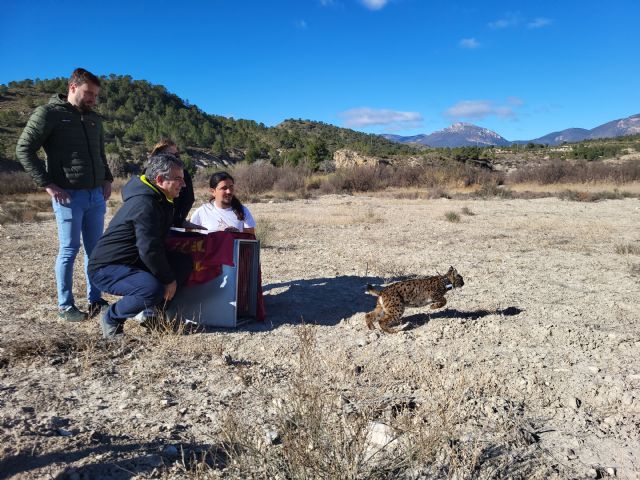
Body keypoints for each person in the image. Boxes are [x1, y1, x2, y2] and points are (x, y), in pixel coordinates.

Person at [16, 68, 113, 322]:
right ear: (72, 87)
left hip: (95, 195)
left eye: (95, 95)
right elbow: (24, 149)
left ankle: (96, 299)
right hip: (67, 195)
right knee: (69, 249)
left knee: (96, 251)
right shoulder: (48, 114)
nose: (93, 98)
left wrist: (107, 179)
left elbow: (100, 153)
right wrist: (47, 184)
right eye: (88, 93)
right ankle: (65, 306)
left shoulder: (94, 119)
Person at [88, 154, 191, 338]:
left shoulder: (160, 199)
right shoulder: (145, 204)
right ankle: (112, 317)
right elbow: (149, 248)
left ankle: (155, 315)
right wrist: (167, 279)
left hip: (133, 261)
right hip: (107, 268)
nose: (183, 184)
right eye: (178, 179)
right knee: (151, 289)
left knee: (182, 263)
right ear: (160, 179)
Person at [149, 139, 196, 228]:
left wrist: (179, 220)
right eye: (170, 155)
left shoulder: (183, 174)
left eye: (177, 155)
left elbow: (189, 199)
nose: (175, 158)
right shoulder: (147, 174)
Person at [190, 171, 256, 233]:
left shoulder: (243, 211)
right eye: (224, 188)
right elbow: (190, 238)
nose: (229, 191)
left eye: (231, 187)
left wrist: (236, 234)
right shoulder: (202, 212)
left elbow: (250, 241)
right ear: (213, 191)